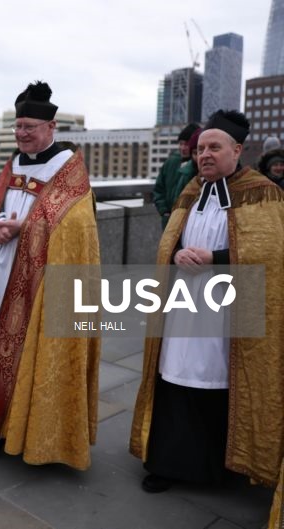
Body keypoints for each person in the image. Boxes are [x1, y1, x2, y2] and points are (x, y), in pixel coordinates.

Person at [130, 110, 284, 494]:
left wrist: (214, 260)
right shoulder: (191, 190)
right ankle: (167, 462)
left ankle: (219, 465)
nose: (205, 155)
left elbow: (271, 254)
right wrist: (177, 253)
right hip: (183, 303)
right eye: (201, 149)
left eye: (214, 147)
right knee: (174, 372)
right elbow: (172, 239)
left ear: (237, 150)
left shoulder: (263, 192)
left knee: (217, 377)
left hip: (226, 308)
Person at [0, 81, 101, 469]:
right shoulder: (13, 164)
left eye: (30, 128)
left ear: (51, 128)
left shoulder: (68, 170)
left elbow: (77, 228)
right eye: (18, 126)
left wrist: (26, 229)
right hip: (3, 271)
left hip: (43, 282)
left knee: (31, 356)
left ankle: (33, 433)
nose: (22, 134)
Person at [153, 122, 201, 229]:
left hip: (189, 223)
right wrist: (164, 211)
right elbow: (158, 189)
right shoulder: (171, 162)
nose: (183, 148)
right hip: (169, 221)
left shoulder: (200, 167)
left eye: (187, 144)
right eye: (181, 143)